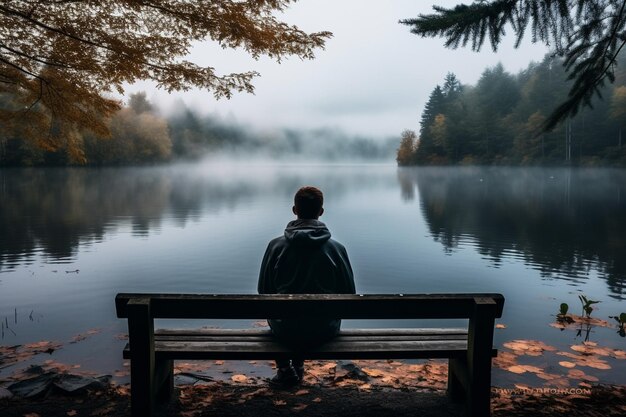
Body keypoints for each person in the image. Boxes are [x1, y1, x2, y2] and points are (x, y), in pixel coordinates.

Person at [258, 186, 356, 388]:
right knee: (305, 314)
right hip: (324, 329)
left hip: (285, 330)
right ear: (321, 212)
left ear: (294, 210)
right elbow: (349, 294)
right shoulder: (337, 249)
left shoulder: (275, 247)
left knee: (279, 312)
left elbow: (263, 290)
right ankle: (298, 367)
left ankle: (285, 370)